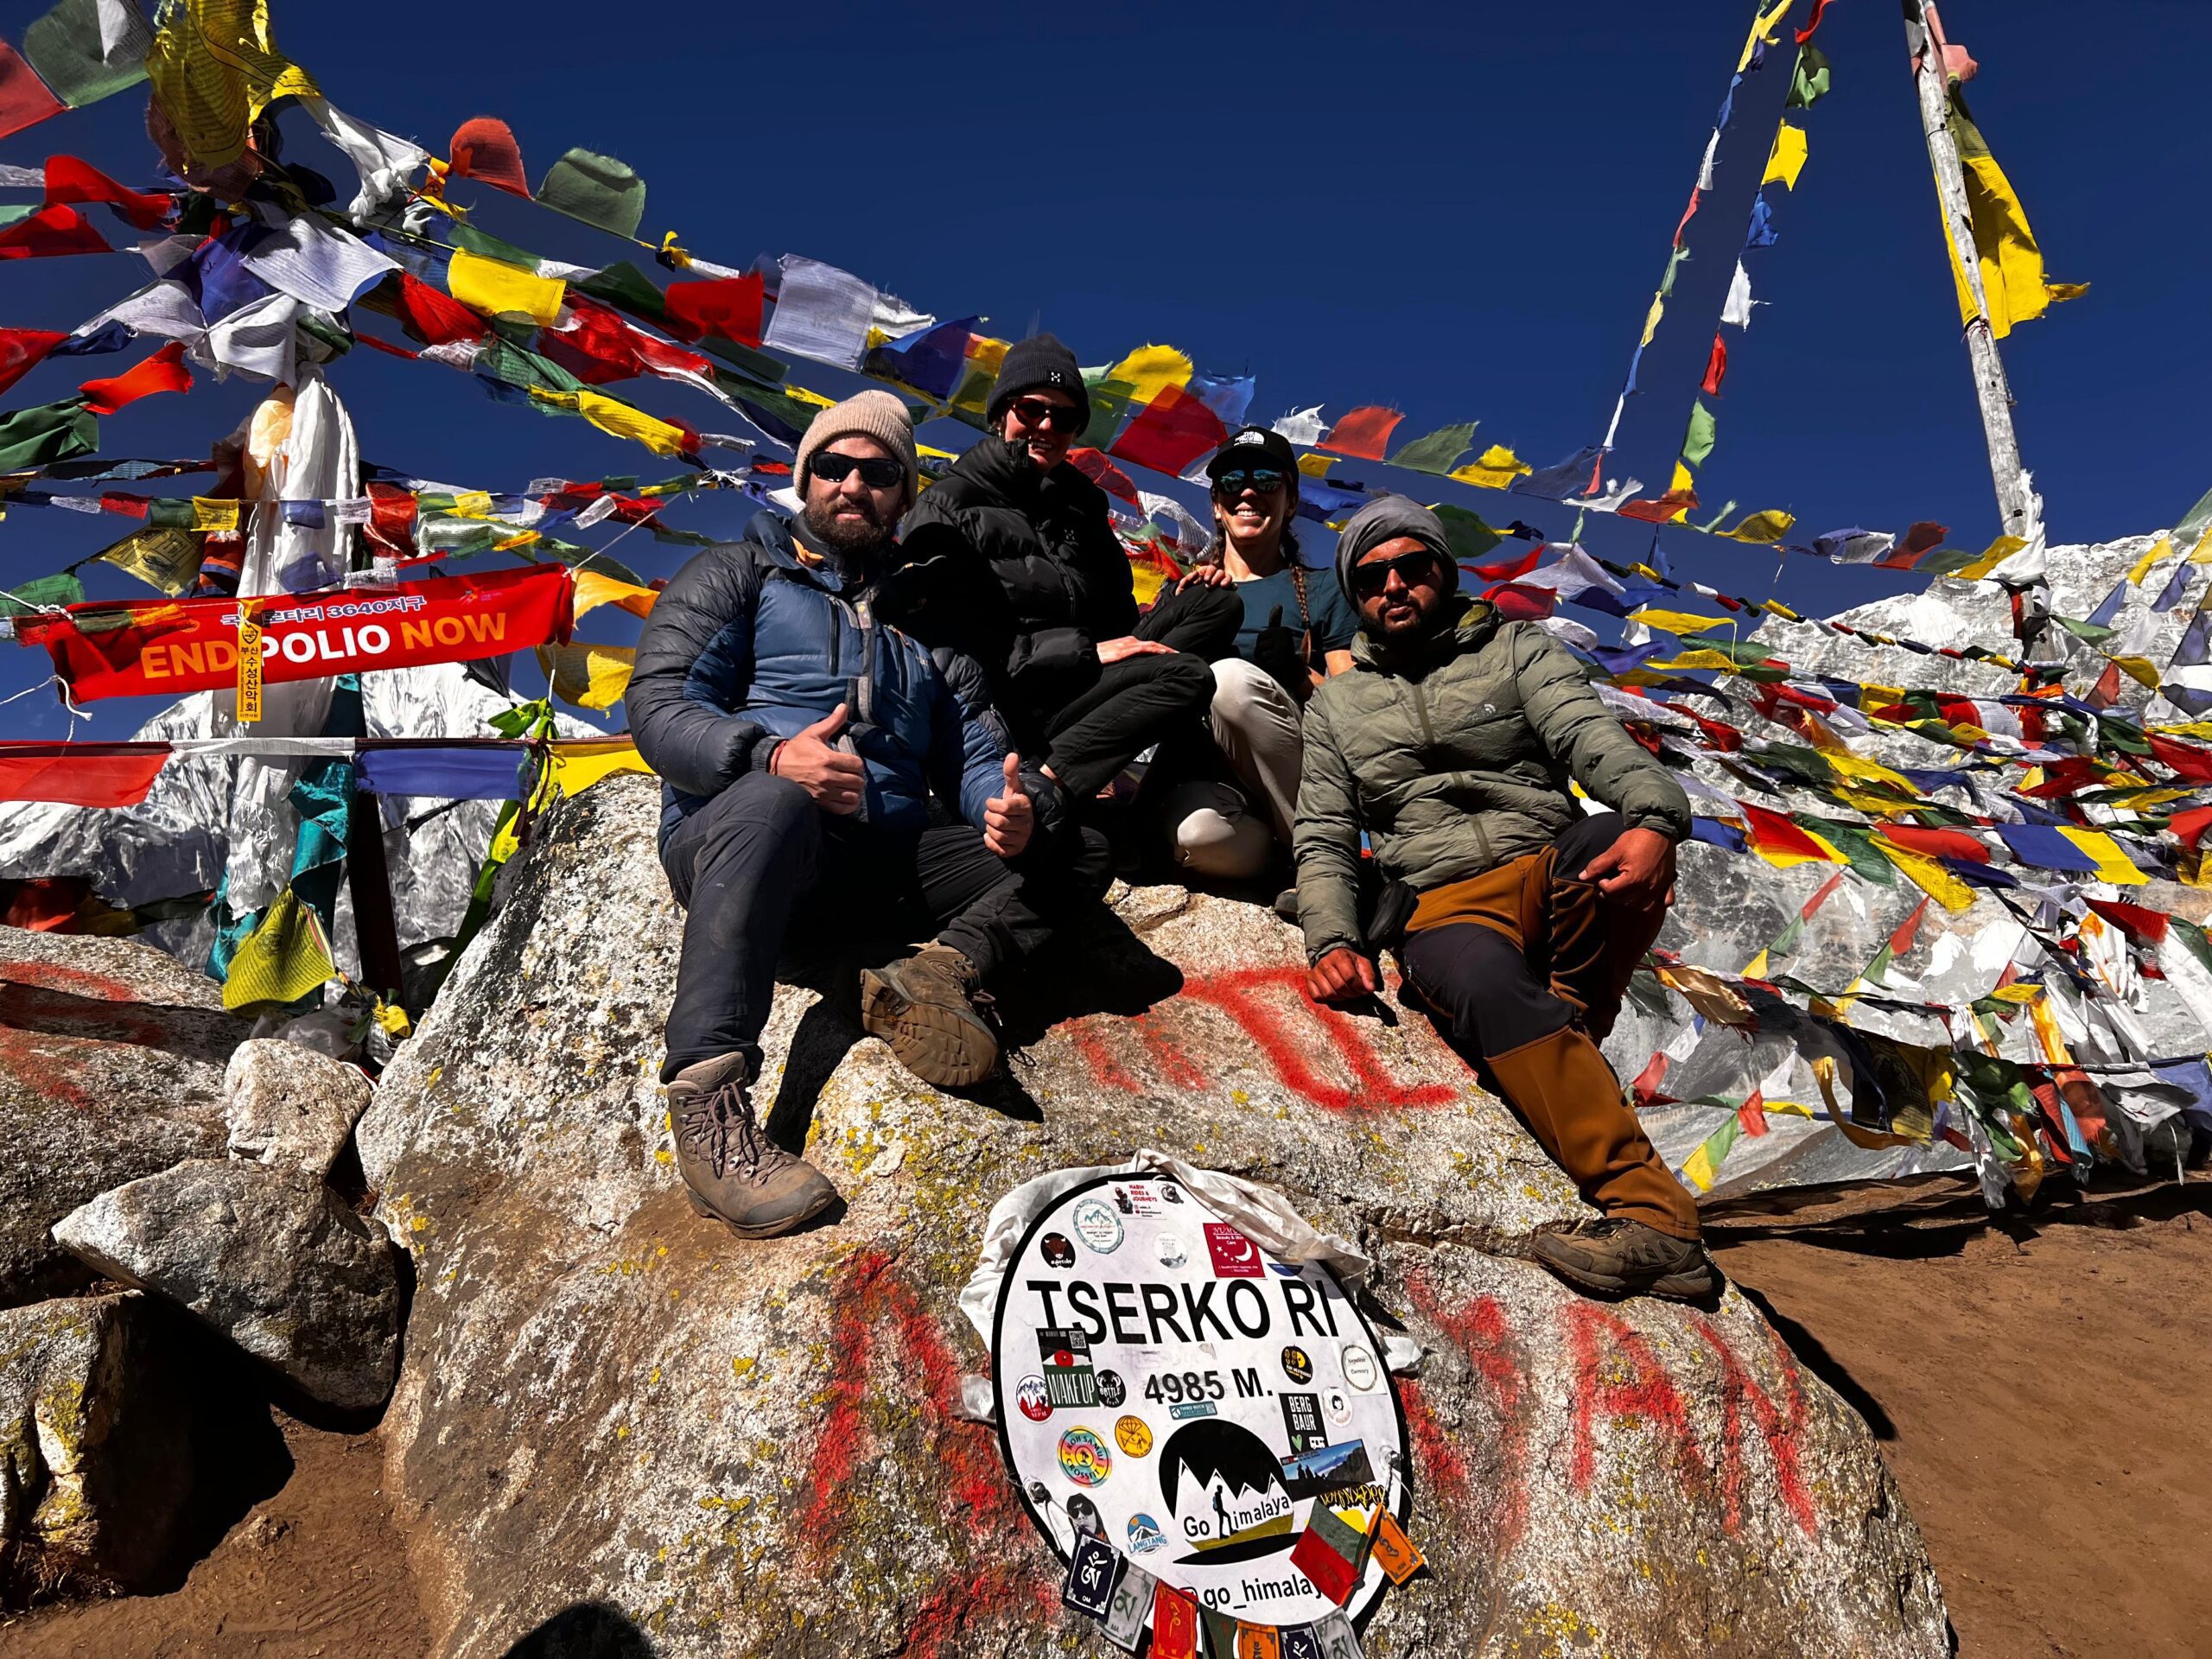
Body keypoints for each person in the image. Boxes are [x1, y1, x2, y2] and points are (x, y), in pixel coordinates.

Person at [632, 391, 1092, 1238]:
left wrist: (1009, 808)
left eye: (878, 472)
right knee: (772, 802)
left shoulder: (934, 637)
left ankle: (942, 969)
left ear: (903, 494)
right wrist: (769, 755)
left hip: (883, 869)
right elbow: (659, 706)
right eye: (833, 467)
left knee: (1073, 841)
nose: (853, 484)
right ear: (804, 478)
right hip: (753, 844)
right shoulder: (737, 575)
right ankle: (709, 1111)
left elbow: (977, 758)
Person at [1294, 495, 1718, 1301]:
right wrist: (1331, 940)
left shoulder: (1517, 649)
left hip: (1546, 864)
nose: (1394, 584)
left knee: (1609, 844)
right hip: (1443, 902)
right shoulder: (1334, 706)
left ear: (1442, 572)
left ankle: (1560, 1029)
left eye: (1412, 565)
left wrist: (1658, 818)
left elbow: (1591, 739)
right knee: (1487, 985)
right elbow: (1322, 834)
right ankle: (1657, 1220)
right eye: (1373, 574)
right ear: (1356, 594)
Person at [894, 334, 1243, 817]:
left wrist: (1175, 595)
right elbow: (952, 648)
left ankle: (1119, 770)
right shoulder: (950, 503)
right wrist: (1085, 652)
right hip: (1014, 700)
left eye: (1065, 417)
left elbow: (1121, 620)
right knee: (1184, 676)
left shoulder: (1083, 512)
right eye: (1031, 408)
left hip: (1085, 680)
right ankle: (1046, 787)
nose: (1046, 425)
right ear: (1000, 415)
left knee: (1216, 603)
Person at [1156, 427, 1362, 881]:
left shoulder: (1324, 589)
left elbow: (1358, 708)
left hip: (1300, 780)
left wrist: (1297, 677)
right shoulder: (1183, 593)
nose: (1248, 491)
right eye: (1231, 482)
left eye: (1267, 479)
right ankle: (1280, 866)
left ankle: (1325, 865)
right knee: (1196, 837)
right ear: (1215, 504)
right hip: (1214, 791)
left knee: (1230, 682)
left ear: (1290, 501)